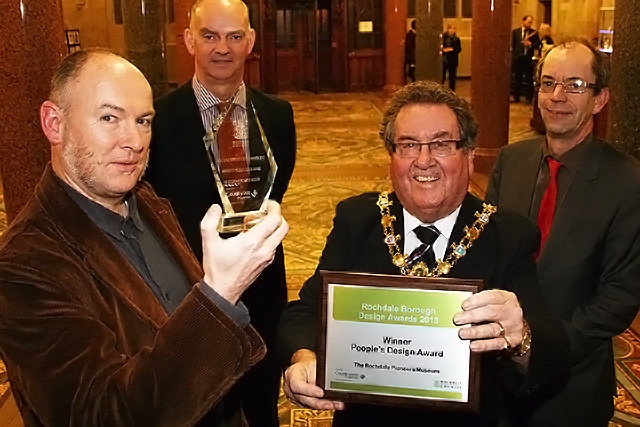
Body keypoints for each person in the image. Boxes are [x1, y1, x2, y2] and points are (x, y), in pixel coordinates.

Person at [0, 49, 289, 426]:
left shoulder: (147, 201)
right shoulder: (24, 266)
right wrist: (220, 293)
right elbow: (106, 414)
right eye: (109, 118)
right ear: (55, 123)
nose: (134, 141)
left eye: (143, 121)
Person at [278, 81, 570, 426]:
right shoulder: (358, 221)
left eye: (442, 144)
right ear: (392, 158)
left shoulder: (507, 235)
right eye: (408, 145)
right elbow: (305, 310)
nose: (424, 160)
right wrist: (302, 357)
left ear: (470, 155)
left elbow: (553, 354)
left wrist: (520, 338)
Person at [145, 1, 297, 425]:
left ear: (250, 41)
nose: (222, 48)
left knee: (261, 402)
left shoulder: (278, 116)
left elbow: (274, 191)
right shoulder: (159, 120)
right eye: (209, 35)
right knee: (199, 406)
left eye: (234, 36)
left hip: (263, 289)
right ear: (189, 40)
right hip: (189, 292)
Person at [486, 40, 640, 427]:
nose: (557, 96)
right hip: (495, 381)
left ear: (600, 99)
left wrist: (536, 348)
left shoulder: (628, 181)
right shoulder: (511, 160)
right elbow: (485, 252)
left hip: (572, 387)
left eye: (575, 85)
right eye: (548, 82)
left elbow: (618, 298)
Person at [512, 15, 540, 103]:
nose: (529, 24)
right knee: (518, 78)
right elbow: (512, 44)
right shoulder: (516, 32)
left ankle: (529, 98)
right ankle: (516, 97)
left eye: (531, 22)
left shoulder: (534, 33)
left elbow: (538, 45)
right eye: (528, 22)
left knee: (529, 78)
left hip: (528, 58)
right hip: (518, 57)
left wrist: (530, 44)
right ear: (523, 21)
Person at [442, 24, 462, 91]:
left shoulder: (456, 39)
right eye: (450, 29)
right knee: (442, 76)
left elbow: (459, 49)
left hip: (452, 60)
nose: (451, 30)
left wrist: (451, 49)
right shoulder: (443, 37)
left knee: (452, 77)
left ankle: (452, 91)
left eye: (453, 29)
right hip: (444, 59)